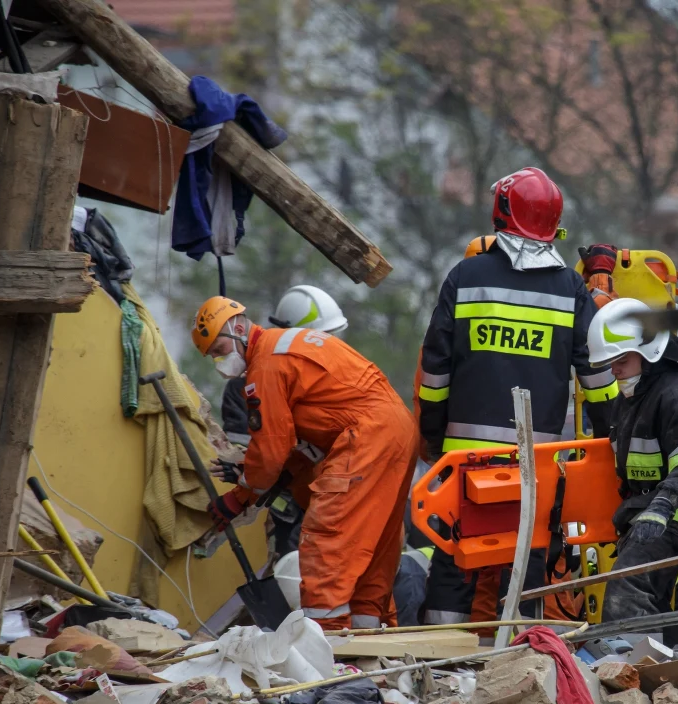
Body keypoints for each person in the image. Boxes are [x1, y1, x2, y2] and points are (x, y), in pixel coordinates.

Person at [417, 167, 618, 626]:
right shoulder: (570, 289)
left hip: (463, 458)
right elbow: (598, 380)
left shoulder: (465, 277)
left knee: (453, 559)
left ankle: (441, 665)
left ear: (502, 212)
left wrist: (432, 441)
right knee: (526, 562)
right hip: (534, 465)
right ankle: (522, 663)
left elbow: (434, 374)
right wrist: (614, 441)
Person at [193, 295, 416, 630]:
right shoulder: (288, 346)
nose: (218, 358)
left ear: (238, 327)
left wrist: (238, 498)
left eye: (218, 347)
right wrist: (281, 473)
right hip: (395, 432)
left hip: (367, 437)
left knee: (328, 537)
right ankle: (372, 640)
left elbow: (269, 449)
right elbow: (304, 436)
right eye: (211, 354)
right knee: (373, 545)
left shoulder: (266, 366)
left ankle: (327, 644)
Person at [587, 298, 678, 621]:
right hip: (654, 514)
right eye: (610, 362)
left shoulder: (677, 394)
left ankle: (629, 660)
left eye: (620, 359)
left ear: (648, 352)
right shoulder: (629, 401)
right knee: (655, 601)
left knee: (628, 583)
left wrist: (661, 507)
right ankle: (658, 660)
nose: (614, 369)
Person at [218, 285, 349, 563]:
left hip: (323, 490)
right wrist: (241, 472)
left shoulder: (327, 384)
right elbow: (260, 452)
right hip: (283, 501)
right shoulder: (249, 386)